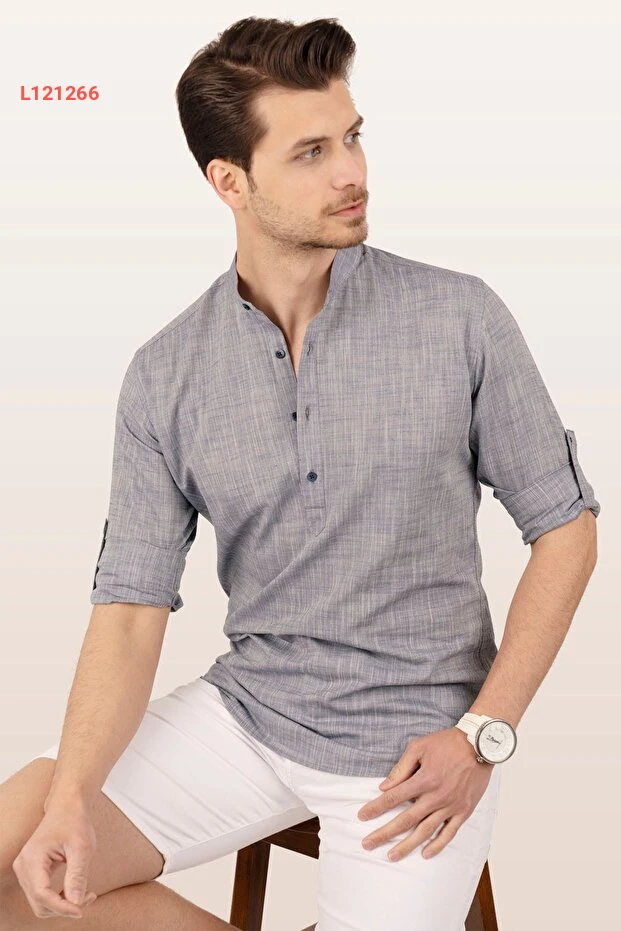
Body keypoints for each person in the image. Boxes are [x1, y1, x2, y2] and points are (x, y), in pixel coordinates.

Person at [0, 15, 601, 931]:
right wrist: (74, 797)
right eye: (311, 152)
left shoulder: (458, 317)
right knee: (20, 863)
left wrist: (482, 734)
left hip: (415, 746)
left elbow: (565, 529)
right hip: (250, 711)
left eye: (352, 137)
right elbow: (127, 611)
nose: (351, 172)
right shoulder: (166, 373)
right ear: (229, 182)